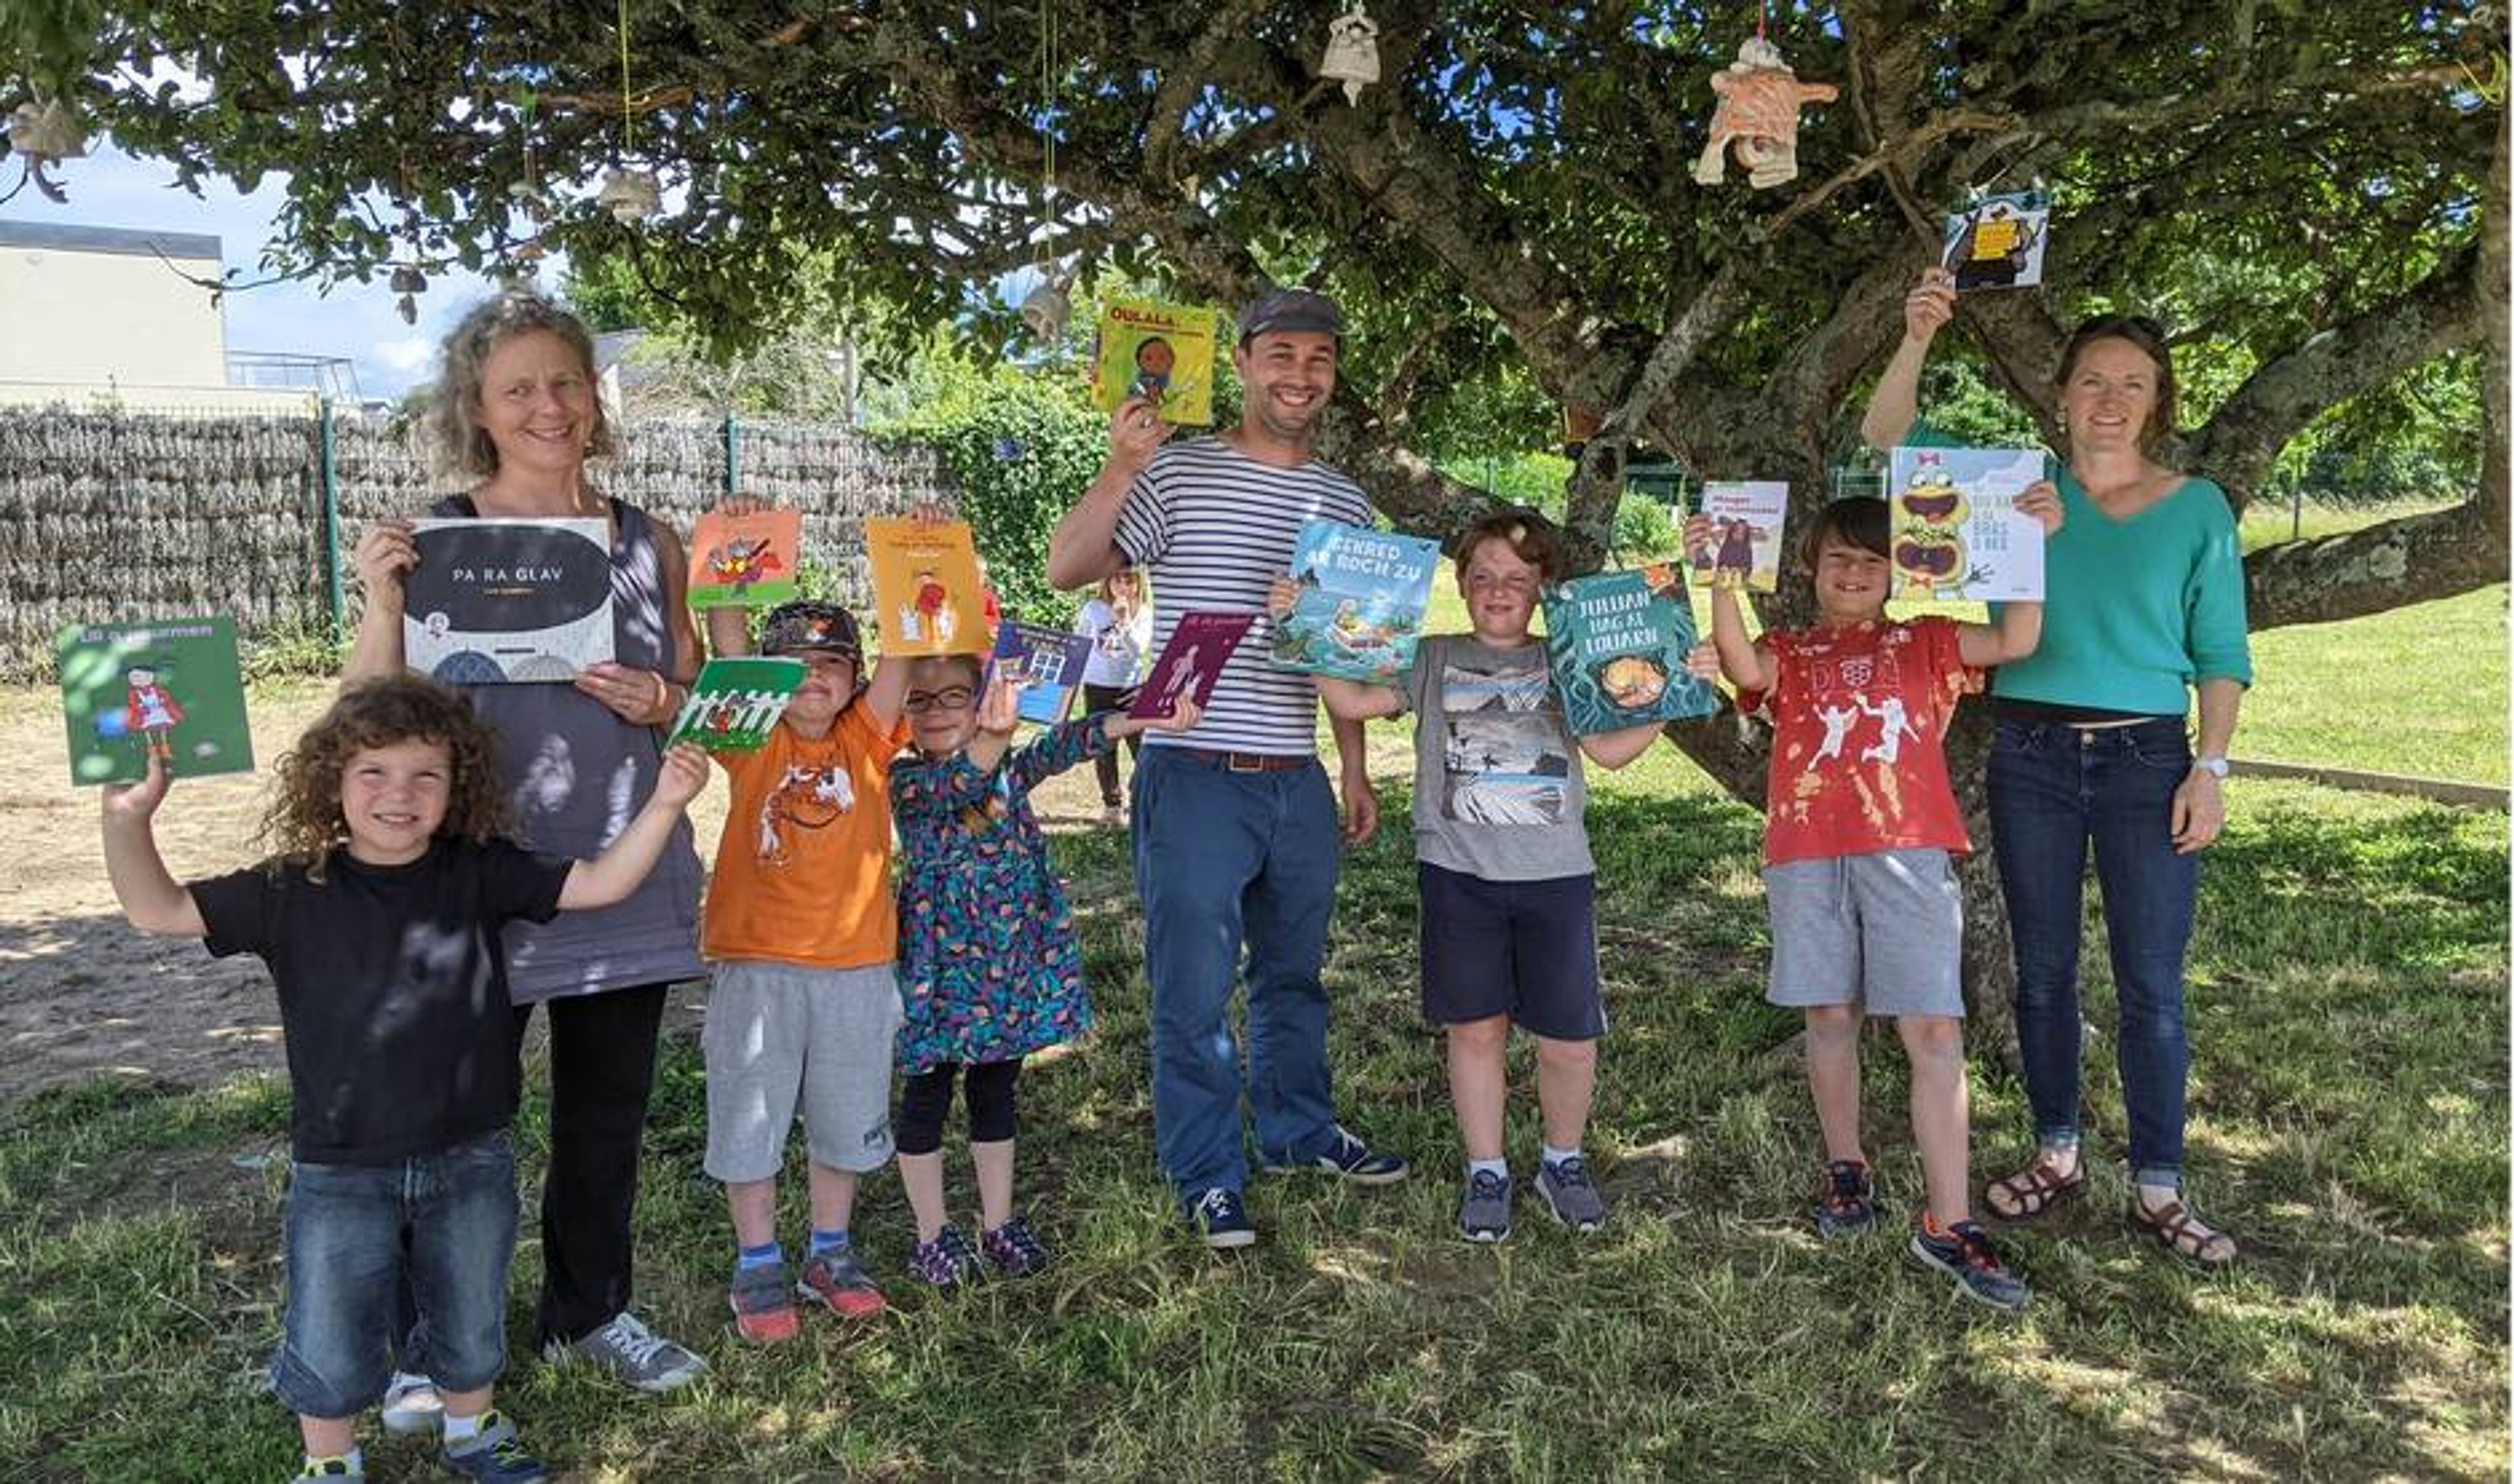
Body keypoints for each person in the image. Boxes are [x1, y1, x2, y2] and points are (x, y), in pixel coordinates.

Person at [98, 676, 710, 1484]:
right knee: (330, 1318)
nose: (400, 794)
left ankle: (472, 1427)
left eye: (426, 775)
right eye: (373, 774)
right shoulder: (289, 888)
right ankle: (330, 1459)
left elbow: (600, 883)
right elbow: (158, 909)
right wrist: (126, 819)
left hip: (471, 1151)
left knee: (470, 1302)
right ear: (331, 783)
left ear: (458, 787)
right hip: (340, 1163)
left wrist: (666, 800)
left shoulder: (480, 871)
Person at [345, 291, 711, 1407]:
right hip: (475, 882)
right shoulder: (440, 538)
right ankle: (426, 1345)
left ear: (594, 397)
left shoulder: (653, 541)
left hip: (626, 871)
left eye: (566, 382)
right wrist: (378, 597)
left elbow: (701, 703)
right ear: (480, 410)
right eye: (520, 389)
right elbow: (364, 713)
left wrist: (666, 696)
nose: (549, 405)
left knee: (605, 1116)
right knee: (452, 1124)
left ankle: (589, 1311)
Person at [1864, 266, 2254, 1265]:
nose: (2110, 400)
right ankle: (2059, 1149)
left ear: (2158, 399)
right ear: (2064, 394)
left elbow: (2222, 655)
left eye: (2132, 382)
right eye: (2091, 381)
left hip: (2147, 754)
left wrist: (2209, 766)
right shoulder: (2015, 492)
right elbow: (1888, 444)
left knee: (2151, 978)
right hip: (2031, 749)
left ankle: (2161, 1181)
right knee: (2043, 971)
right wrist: (1915, 336)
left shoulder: (2197, 505)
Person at [1045, 287, 1406, 1250]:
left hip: (1296, 774)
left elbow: (1353, 653)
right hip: (1193, 768)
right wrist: (1124, 462)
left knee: (1294, 977)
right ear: (1242, 364)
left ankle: (1296, 1129)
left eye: (1320, 359)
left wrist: (1356, 765)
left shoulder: (1345, 501)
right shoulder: (1180, 471)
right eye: (1281, 355)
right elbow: (1066, 566)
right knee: (1194, 992)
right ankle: (1207, 1171)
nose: (1301, 375)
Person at [1686, 493, 2054, 1310]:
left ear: (1900, 570)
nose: (1853, 572)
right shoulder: (1792, 645)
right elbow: (1744, 668)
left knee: (1931, 1025)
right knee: (1829, 1016)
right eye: (1838, 558)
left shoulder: (1924, 639)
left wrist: (2027, 546)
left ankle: (1949, 1220)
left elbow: (2018, 638)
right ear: (1811, 569)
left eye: (1871, 559)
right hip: (1807, 853)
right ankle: (1846, 1166)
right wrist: (1717, 570)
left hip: (1908, 851)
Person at [1300, 510, 1662, 1242]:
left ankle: (1561, 1160)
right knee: (1475, 1029)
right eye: (1484, 576)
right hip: (1458, 873)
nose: (1500, 590)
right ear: (1460, 584)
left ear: (1543, 589)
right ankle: (1487, 1168)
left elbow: (1616, 752)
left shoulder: (1569, 659)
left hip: (1557, 875)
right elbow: (1348, 699)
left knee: (1568, 1038)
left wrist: (1674, 691)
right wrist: (1305, 622)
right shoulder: (1430, 656)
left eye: (1518, 579)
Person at [888, 662, 1202, 1283]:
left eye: (955, 696)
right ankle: (931, 1235)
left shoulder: (1007, 766)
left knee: (995, 1091)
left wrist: (1141, 716)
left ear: (982, 700)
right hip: (939, 976)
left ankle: (997, 1223)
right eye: (918, 700)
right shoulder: (906, 779)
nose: (936, 710)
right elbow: (958, 784)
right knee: (927, 1094)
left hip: (1007, 966)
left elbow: (1066, 744)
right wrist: (994, 737)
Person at [695, 592, 912, 1344]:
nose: (813, 678)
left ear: (855, 678)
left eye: (832, 664)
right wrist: (732, 573)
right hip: (758, 968)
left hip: (856, 967)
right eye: (793, 666)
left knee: (845, 1115)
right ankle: (757, 1258)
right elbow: (730, 660)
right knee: (750, 1118)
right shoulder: (751, 740)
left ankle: (830, 1249)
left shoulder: (870, 738)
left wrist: (915, 562)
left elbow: (906, 650)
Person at [1075, 567, 1155, 824]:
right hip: (1098, 686)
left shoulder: (1144, 613)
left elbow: (1138, 649)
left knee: (1141, 747)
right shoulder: (1094, 609)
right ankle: (1112, 805)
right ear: (1107, 581)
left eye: (1129, 580)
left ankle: (1145, 799)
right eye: (1116, 579)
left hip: (1131, 688)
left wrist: (1124, 622)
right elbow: (1081, 642)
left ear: (1138, 583)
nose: (1122, 586)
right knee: (1103, 747)